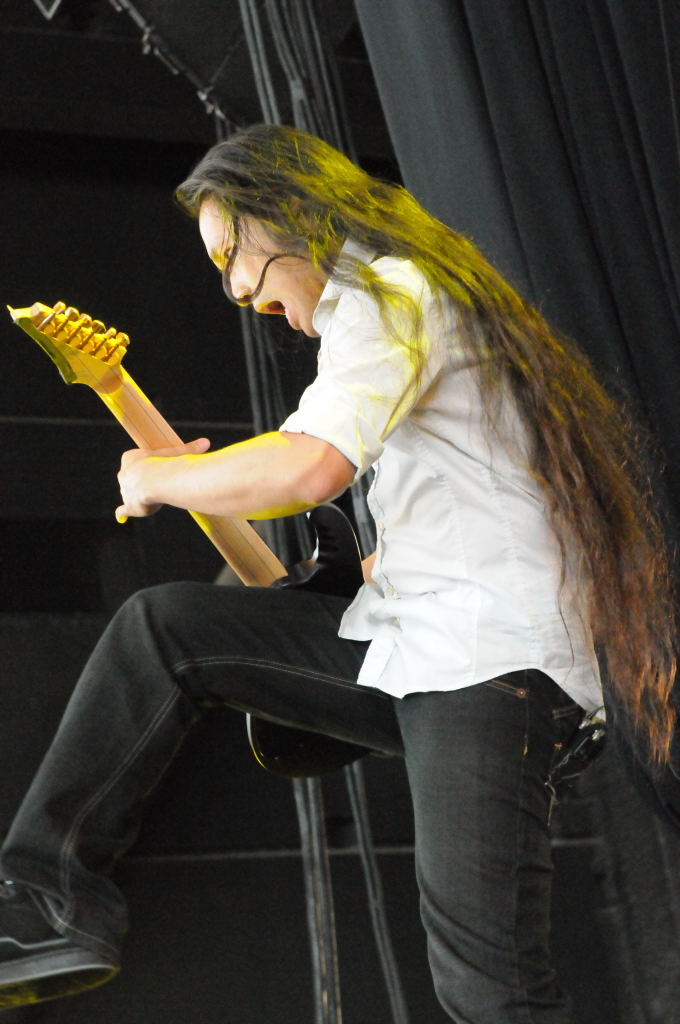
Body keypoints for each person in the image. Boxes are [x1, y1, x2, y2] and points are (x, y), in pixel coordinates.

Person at [0, 124, 676, 1023]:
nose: (238, 290)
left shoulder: (392, 293)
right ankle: (46, 904)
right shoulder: (388, 311)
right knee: (163, 630)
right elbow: (397, 513)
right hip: (422, 649)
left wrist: (160, 478)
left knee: (490, 993)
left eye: (233, 256)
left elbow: (308, 466)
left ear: (293, 213)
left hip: (491, 666)